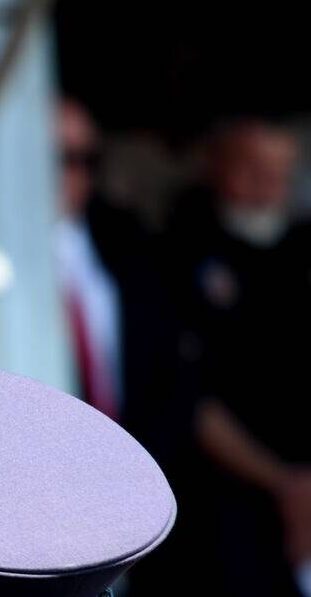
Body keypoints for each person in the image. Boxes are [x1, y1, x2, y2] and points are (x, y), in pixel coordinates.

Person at [169, 118, 311, 596]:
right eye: (252, 168)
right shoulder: (180, 249)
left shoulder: (299, 247)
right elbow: (188, 397)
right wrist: (286, 483)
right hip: (223, 505)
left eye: (281, 172)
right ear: (216, 163)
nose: (268, 187)